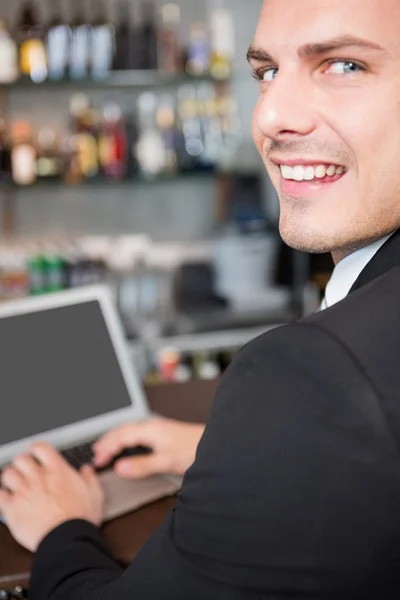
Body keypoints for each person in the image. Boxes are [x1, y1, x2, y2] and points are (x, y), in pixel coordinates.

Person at [3, 0, 400, 596]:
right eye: (266, 72)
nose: (270, 117)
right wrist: (254, 452)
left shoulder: (315, 372)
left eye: (343, 65)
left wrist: (63, 527)